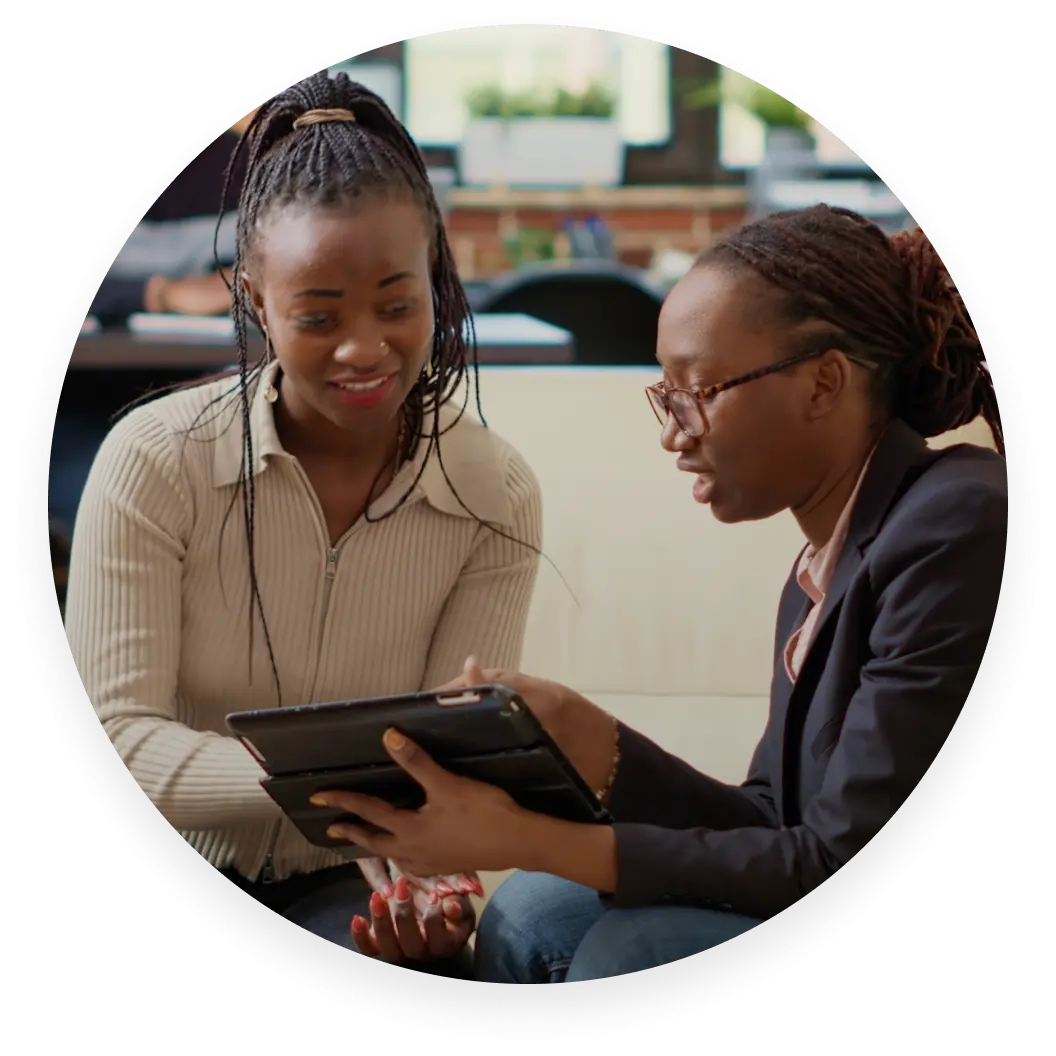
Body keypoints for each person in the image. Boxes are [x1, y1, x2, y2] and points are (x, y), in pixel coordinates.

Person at [309, 205, 1008, 981]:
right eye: (664, 394)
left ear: (824, 383)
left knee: (624, 948)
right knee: (534, 908)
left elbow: (838, 863)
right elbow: (772, 821)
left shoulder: (958, 523)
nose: (675, 432)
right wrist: (586, 734)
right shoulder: (828, 562)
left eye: (698, 390)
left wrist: (519, 837)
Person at [64, 72, 543, 969]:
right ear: (253, 302)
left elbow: (445, 772)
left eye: (398, 306)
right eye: (318, 317)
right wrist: (340, 772)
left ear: (437, 280)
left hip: (341, 894)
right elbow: (115, 746)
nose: (365, 348)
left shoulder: (494, 492)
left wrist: (438, 899)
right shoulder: (155, 461)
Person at [48, 107, 257, 606]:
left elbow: (276, 272)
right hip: (76, 411)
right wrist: (158, 293)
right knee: (118, 512)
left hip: (203, 399)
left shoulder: (243, 165)